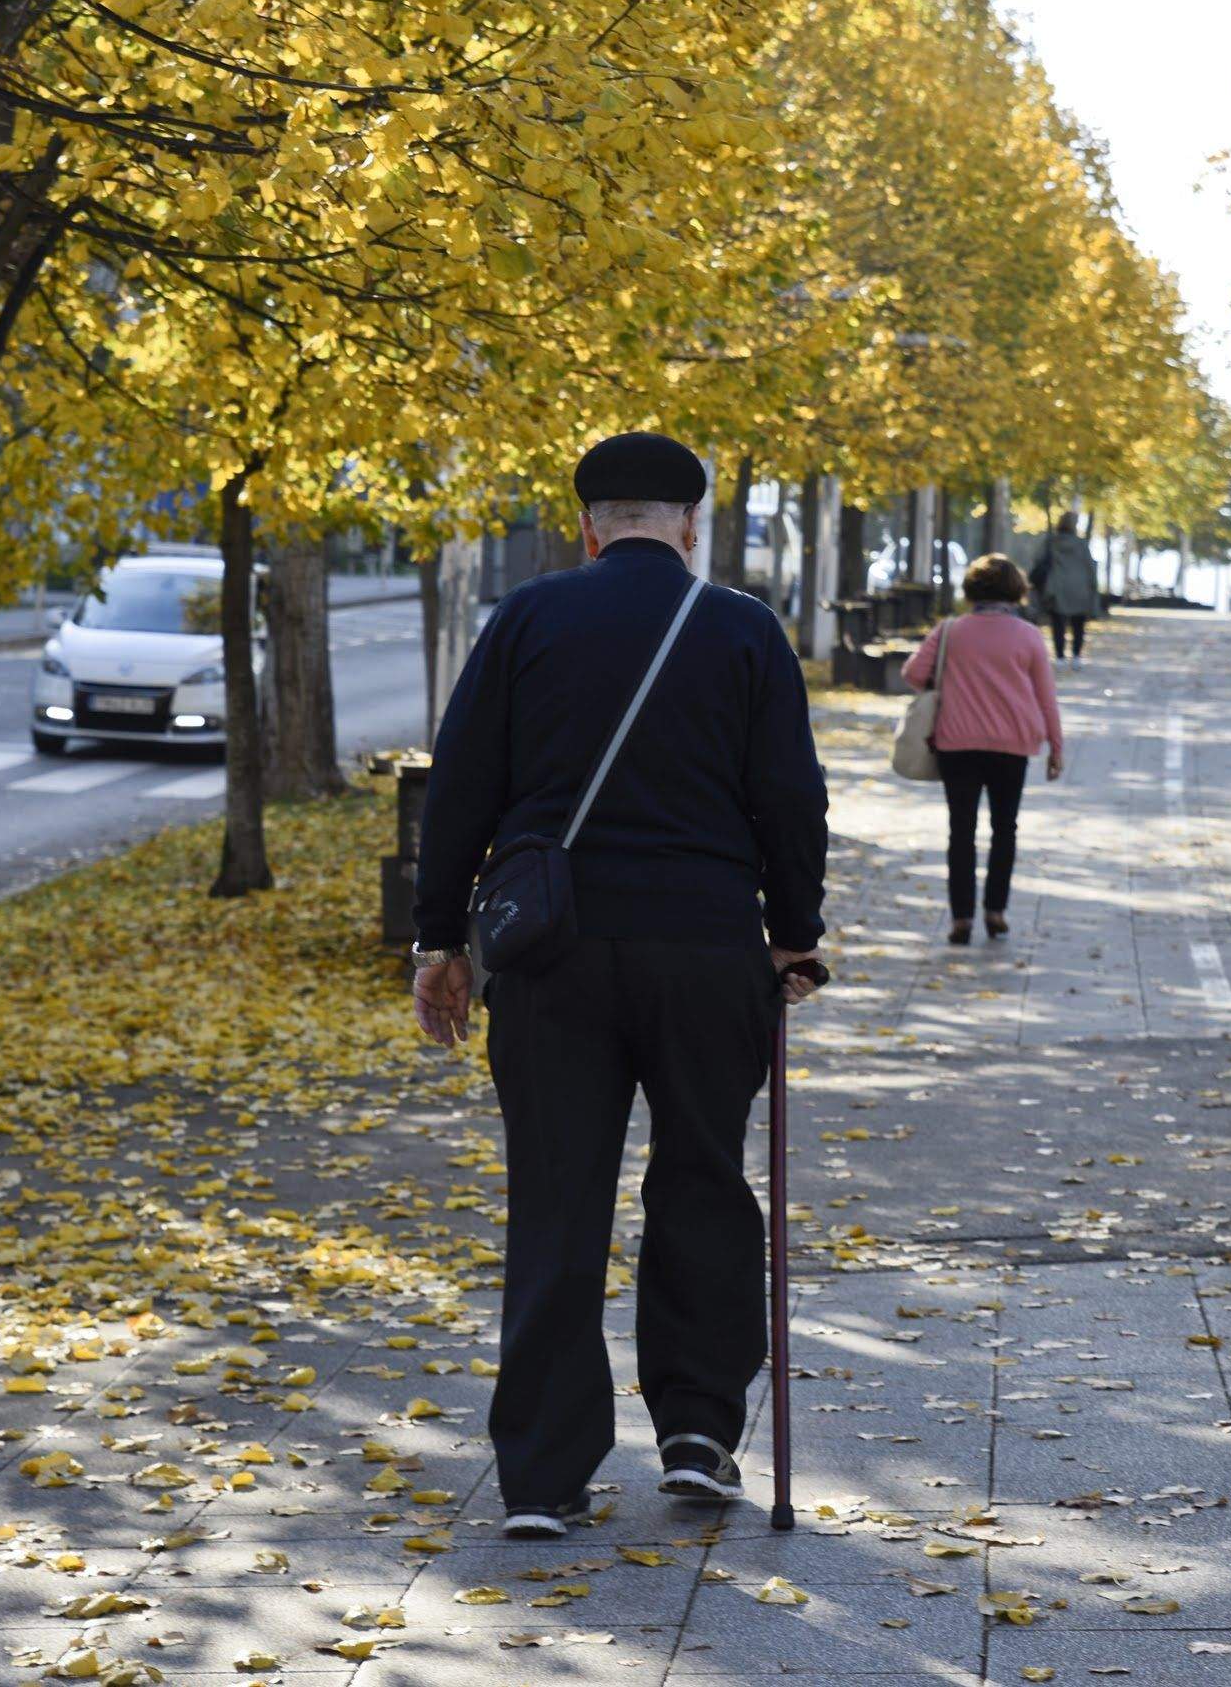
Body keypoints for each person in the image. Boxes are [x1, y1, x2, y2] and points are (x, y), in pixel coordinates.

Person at [409, 432, 830, 1540]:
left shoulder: (527, 621)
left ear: (584, 522)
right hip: (702, 949)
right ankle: (696, 1434)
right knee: (700, 1179)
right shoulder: (742, 630)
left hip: (552, 956)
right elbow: (789, 799)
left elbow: (460, 786)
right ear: (691, 524)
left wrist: (436, 939)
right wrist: (792, 933)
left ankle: (543, 1476)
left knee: (556, 1198)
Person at [903, 553, 1063, 945]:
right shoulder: (1028, 635)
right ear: (1016, 591)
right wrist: (1056, 747)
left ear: (972, 589)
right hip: (1012, 747)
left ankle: (960, 918)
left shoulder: (950, 631)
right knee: (1004, 829)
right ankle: (996, 910)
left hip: (957, 744)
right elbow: (1046, 697)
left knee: (961, 831)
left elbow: (913, 674)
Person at [1028, 512, 1101, 660]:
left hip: (1057, 587)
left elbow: (1037, 559)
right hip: (1079, 588)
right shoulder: (1081, 544)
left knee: (1057, 624)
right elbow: (1090, 567)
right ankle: (1076, 656)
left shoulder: (1051, 542)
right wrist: (1093, 586)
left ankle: (1060, 655)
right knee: (1078, 624)